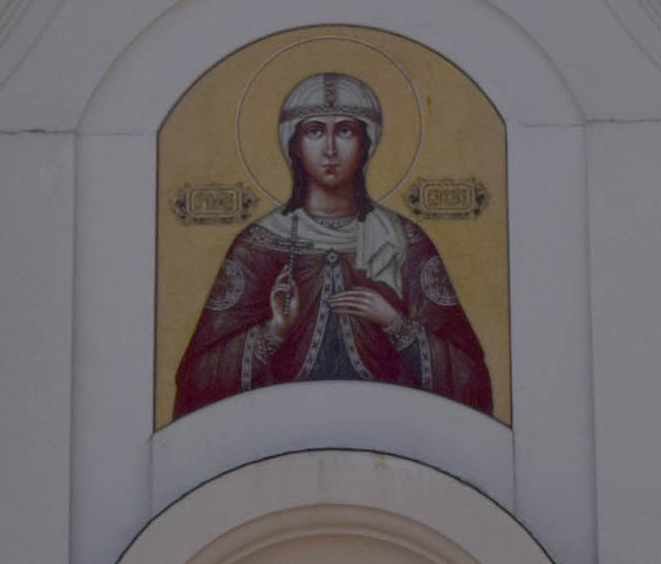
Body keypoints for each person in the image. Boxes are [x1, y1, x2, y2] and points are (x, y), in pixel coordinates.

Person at [172, 71, 495, 416]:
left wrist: (395, 324)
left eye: (345, 131)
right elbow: (196, 384)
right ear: (293, 144)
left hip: (393, 432)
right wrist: (273, 331)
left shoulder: (405, 242)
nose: (330, 149)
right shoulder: (258, 246)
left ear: (366, 142)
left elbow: (470, 379)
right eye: (314, 131)